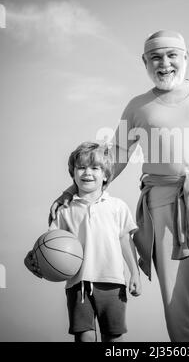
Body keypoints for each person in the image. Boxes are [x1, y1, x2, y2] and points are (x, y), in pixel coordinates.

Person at [50, 30, 189, 342]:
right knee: (177, 307)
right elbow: (113, 159)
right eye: (156, 57)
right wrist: (71, 192)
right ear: (144, 62)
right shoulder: (137, 107)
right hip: (162, 210)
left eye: (172, 55)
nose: (165, 63)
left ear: (185, 57)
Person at [25, 141, 141, 342]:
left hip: (112, 282)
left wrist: (135, 274)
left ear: (105, 175)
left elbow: (125, 239)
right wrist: (31, 259)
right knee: (84, 337)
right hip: (78, 284)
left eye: (95, 168)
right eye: (81, 168)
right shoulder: (63, 210)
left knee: (114, 337)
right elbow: (49, 245)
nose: (87, 172)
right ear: (73, 174)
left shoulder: (117, 206)